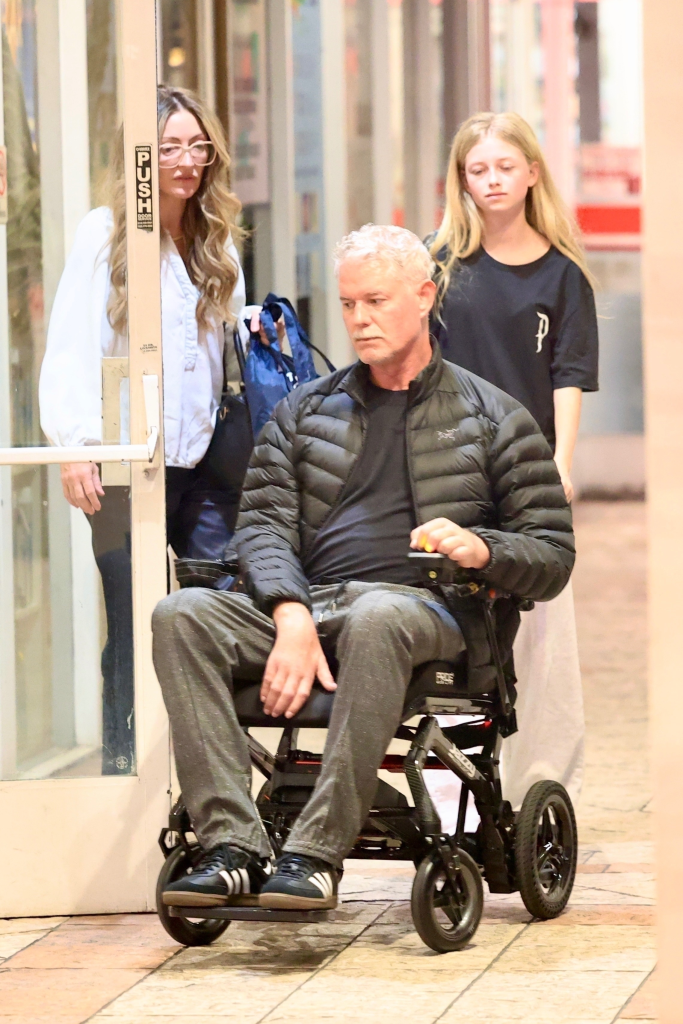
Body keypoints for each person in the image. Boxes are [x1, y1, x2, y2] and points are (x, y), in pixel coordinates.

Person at [151, 223, 575, 912]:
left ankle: (314, 854)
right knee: (180, 615)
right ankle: (231, 845)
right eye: (348, 305)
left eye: (375, 301)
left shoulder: (494, 417)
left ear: (423, 296)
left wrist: (483, 548)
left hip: (431, 614)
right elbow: (258, 528)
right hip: (313, 604)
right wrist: (290, 614)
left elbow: (553, 554)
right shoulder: (303, 411)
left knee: (380, 615)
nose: (358, 320)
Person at [39, 85, 246, 775]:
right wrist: (75, 446)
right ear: (140, 156)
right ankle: (124, 772)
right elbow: (72, 343)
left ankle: (200, 774)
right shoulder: (107, 231)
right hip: (127, 464)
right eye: (166, 148)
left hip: (202, 465)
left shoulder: (214, 240)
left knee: (206, 621)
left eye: (195, 145)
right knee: (130, 626)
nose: (185, 160)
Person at [428, 111, 598, 811]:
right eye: (478, 169)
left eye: (505, 167)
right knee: (447, 627)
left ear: (531, 173)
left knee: (541, 631)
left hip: (527, 480)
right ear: (461, 180)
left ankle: (544, 783)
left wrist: (561, 461)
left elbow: (568, 374)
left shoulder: (563, 276)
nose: (492, 180)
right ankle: (445, 786)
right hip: (446, 471)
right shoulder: (437, 265)